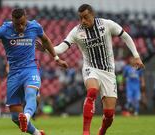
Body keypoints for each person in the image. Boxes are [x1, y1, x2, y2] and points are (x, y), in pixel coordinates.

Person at [38, 4, 145, 135]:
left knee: (109, 115)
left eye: (86, 17)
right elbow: (61, 48)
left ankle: (102, 130)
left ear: (92, 15)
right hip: (91, 68)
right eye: (81, 18)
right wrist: (46, 48)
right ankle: (86, 132)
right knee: (92, 91)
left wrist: (136, 56)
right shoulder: (76, 31)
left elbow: (125, 36)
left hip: (108, 72)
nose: (83, 21)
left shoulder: (106, 24)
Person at [0, 8, 68, 135]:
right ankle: (37, 133)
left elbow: (45, 40)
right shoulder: (4, 29)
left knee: (31, 94)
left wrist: (56, 58)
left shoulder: (35, 27)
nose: (21, 26)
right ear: (12, 20)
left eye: (23, 23)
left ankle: (27, 116)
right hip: (14, 73)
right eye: (17, 24)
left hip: (31, 69)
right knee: (14, 117)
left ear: (26, 17)